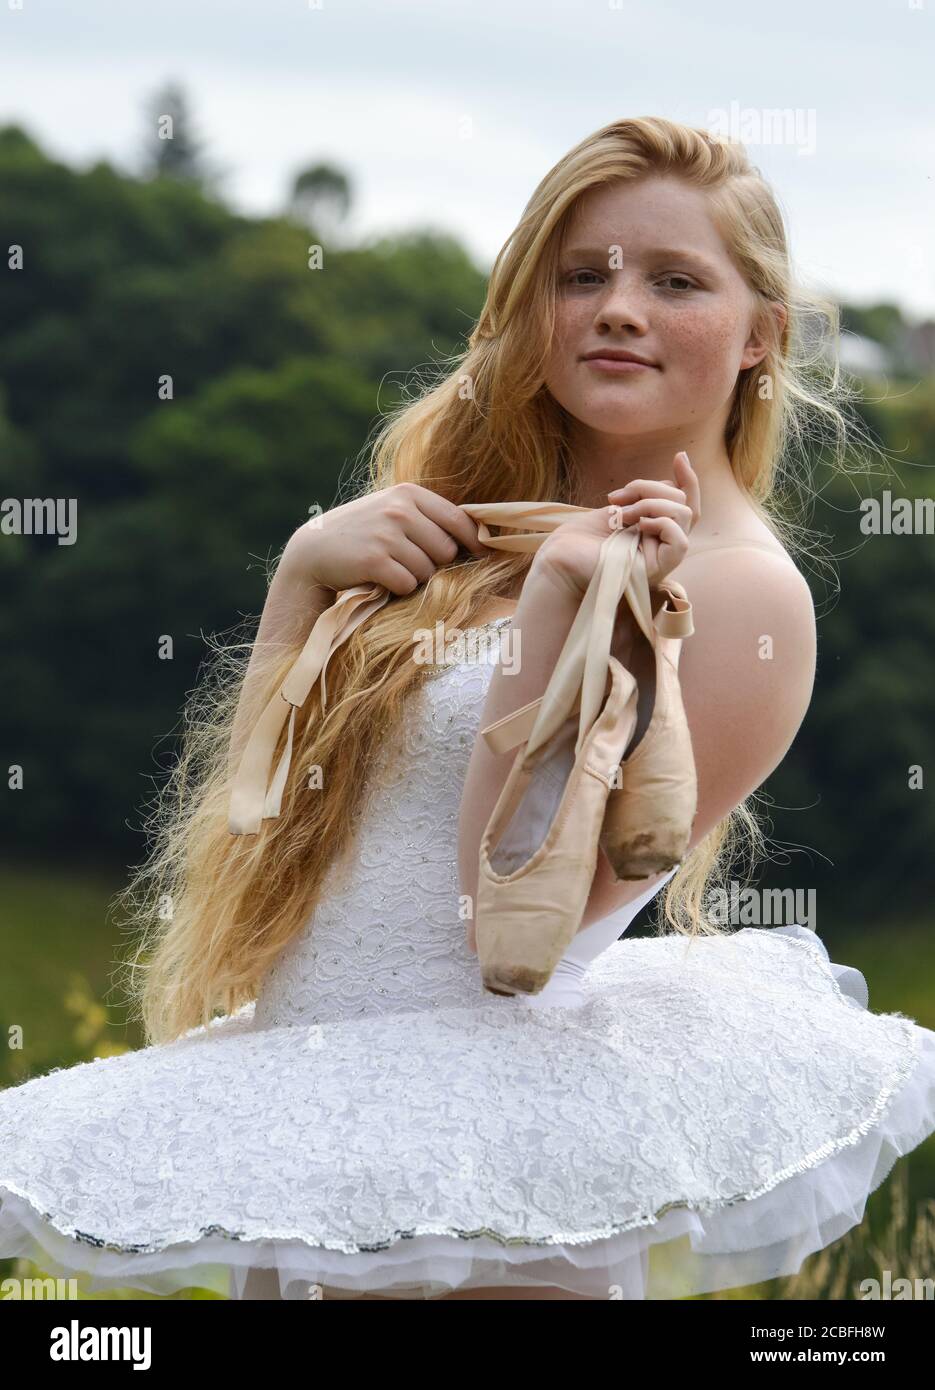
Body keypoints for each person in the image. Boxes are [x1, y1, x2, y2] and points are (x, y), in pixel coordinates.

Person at [1, 116, 933, 1302]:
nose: (616, 308)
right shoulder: (488, 525)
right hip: (328, 1124)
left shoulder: (736, 591)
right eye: (579, 273)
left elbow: (506, 922)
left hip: (478, 1191)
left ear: (761, 334)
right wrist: (301, 580)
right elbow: (266, 816)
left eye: (674, 281)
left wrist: (549, 618)